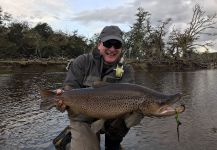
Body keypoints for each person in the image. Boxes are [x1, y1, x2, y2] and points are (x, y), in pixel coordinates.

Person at [55, 25, 143, 150]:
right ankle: (68, 140)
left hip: (112, 118)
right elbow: (70, 88)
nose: (112, 49)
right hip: (83, 117)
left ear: (121, 48)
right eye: (108, 43)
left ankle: (113, 145)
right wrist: (62, 99)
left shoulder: (126, 70)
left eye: (117, 45)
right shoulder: (82, 61)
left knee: (135, 111)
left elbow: (131, 98)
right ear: (99, 45)